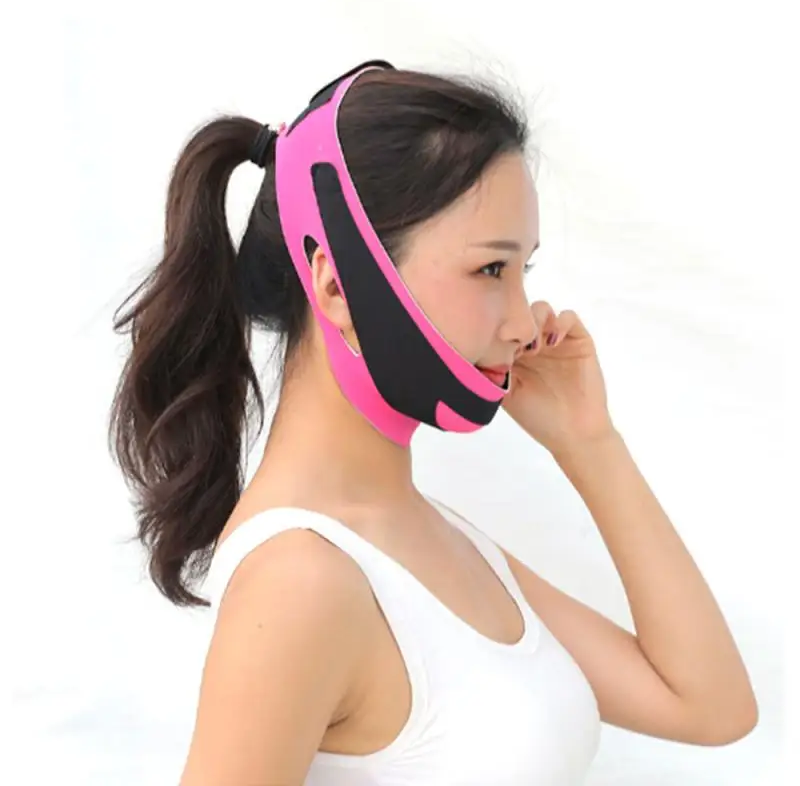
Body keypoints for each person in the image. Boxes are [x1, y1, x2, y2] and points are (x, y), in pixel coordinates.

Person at [109, 61, 758, 786]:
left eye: (523, 273)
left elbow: (710, 707)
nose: (524, 324)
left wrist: (589, 442)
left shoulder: (428, 535)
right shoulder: (300, 580)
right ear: (337, 284)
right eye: (490, 270)